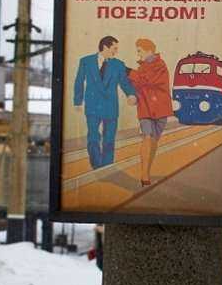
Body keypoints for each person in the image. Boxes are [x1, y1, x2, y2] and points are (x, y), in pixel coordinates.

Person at [73, 35, 137, 169]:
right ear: (105, 47)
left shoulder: (118, 64)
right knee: (93, 138)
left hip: (110, 107)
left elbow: (124, 82)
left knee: (109, 140)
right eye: (114, 48)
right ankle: (96, 165)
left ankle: (107, 166)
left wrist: (130, 94)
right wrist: (78, 101)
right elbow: (79, 81)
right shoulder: (86, 61)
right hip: (93, 106)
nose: (116, 52)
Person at [127, 38, 177, 186]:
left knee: (153, 142)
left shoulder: (160, 64)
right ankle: (144, 175)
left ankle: (146, 170)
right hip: (145, 108)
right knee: (147, 137)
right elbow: (137, 83)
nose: (138, 53)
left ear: (149, 50)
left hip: (160, 110)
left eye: (139, 50)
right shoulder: (141, 67)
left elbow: (148, 80)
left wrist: (129, 72)